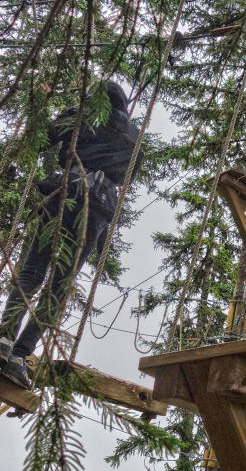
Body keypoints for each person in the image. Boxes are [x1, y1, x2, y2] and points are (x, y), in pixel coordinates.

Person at [0, 80, 142, 389]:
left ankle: (4, 340)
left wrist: (38, 105)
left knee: (32, 273)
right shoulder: (133, 137)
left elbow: (38, 142)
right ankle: (21, 357)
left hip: (64, 194)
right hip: (97, 210)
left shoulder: (79, 115)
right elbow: (129, 176)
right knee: (58, 287)